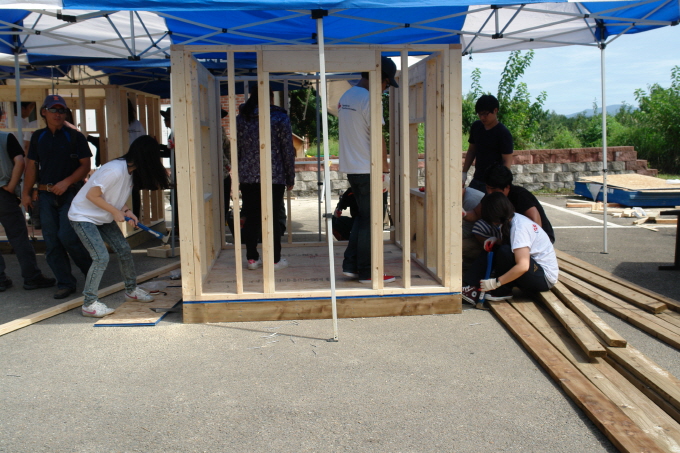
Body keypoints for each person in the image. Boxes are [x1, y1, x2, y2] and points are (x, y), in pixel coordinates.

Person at [68, 135, 170, 317]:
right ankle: (89, 304)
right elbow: (92, 195)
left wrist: (126, 210)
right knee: (100, 257)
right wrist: (115, 212)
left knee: (123, 249)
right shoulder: (114, 170)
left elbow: (111, 196)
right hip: (83, 216)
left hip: (101, 216)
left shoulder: (129, 172)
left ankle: (131, 290)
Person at [22, 94, 93, 300]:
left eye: (62, 110)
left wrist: (67, 182)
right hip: (45, 195)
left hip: (70, 193)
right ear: (44, 112)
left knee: (68, 237)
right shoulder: (38, 136)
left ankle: (92, 274)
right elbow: (31, 166)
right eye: (53, 110)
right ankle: (65, 283)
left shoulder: (75, 136)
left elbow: (86, 165)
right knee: (52, 241)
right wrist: (26, 193)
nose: (58, 114)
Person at [337, 56, 397, 284]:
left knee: (363, 219)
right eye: (387, 84)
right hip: (369, 169)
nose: (385, 89)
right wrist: (385, 172)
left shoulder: (346, 96)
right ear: (379, 77)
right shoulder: (370, 99)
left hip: (353, 168)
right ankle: (368, 272)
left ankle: (351, 265)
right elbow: (378, 138)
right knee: (372, 222)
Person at [461, 192, 558, 306]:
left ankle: (502, 291)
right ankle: (471, 286)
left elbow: (523, 266)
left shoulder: (519, 228)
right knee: (496, 248)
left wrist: (497, 283)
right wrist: (496, 241)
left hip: (543, 278)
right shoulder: (509, 220)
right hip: (534, 272)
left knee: (505, 251)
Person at [237, 88, 295, 271]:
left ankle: (252, 259)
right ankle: (274, 259)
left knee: (252, 217)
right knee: (273, 217)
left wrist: (240, 173)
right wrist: (290, 176)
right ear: (270, 98)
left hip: (248, 176)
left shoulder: (242, 119)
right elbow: (287, 149)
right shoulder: (279, 118)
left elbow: (237, 149)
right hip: (274, 175)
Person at [0, 114, 55, 292]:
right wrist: (11, 186)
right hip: (3, 193)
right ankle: (31, 277)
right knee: (18, 237)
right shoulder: (5, 137)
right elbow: (20, 161)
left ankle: (0, 279)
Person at [462, 165, 555, 265]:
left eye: (493, 189)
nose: (489, 192)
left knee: (507, 251)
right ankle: (495, 249)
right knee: (480, 226)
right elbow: (476, 214)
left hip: (533, 236)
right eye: (487, 188)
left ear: (507, 187)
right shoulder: (491, 196)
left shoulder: (521, 196)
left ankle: (505, 253)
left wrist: (518, 241)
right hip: (509, 231)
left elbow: (535, 223)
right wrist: (463, 214)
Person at [462, 94, 513, 193]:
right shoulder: (476, 127)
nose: (482, 117)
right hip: (477, 178)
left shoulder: (503, 133)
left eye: (485, 114)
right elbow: (471, 151)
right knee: (467, 199)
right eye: (479, 114)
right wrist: (464, 173)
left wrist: (500, 185)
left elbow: (507, 161)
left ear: (495, 110)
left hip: (494, 183)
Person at [127, 99, 147, 220]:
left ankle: (135, 218)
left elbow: (143, 142)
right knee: (130, 190)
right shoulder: (135, 124)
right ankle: (132, 218)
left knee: (133, 190)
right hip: (127, 161)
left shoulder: (136, 124)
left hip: (134, 162)